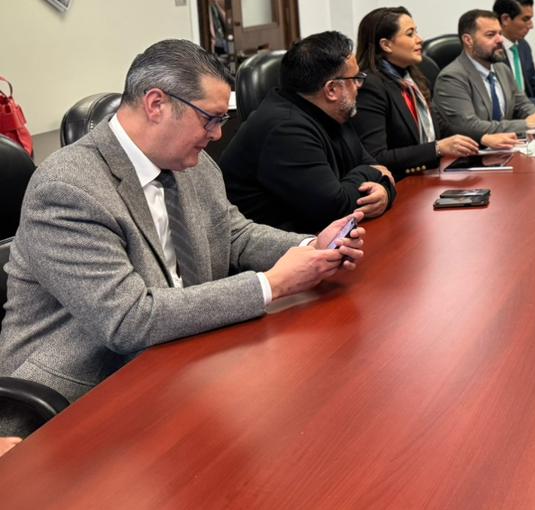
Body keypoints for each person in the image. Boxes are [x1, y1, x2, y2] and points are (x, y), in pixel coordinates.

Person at [0, 40, 365, 436]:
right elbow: (128, 320)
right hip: (82, 396)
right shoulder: (68, 188)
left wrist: (310, 247)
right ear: (156, 104)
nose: (218, 134)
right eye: (210, 119)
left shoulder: (193, 162)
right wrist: (271, 285)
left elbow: (234, 234)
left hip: (181, 361)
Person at [220, 31, 396, 229]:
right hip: (281, 245)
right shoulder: (285, 130)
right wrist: (370, 173)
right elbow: (335, 209)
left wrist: (384, 192)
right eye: (355, 78)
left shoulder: (334, 112)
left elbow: (380, 171)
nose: (359, 86)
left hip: (323, 236)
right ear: (331, 90)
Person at [353, 6, 518, 178]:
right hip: (401, 183)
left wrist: (482, 138)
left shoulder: (412, 77)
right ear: (386, 45)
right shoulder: (370, 86)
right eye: (410, 34)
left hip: (429, 174)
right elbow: (377, 157)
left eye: (416, 32)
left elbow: (441, 127)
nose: (420, 39)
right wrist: (437, 148)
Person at [433, 9, 535, 142]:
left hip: (506, 147)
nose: (500, 40)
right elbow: (468, 127)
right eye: (491, 35)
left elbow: (522, 104)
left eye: (500, 33)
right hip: (474, 152)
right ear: (468, 40)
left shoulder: (502, 69)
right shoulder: (451, 78)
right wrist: (526, 124)